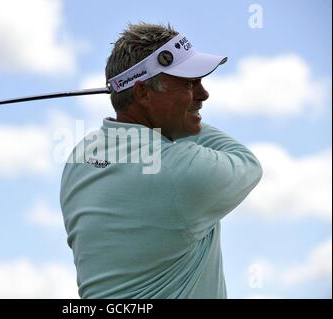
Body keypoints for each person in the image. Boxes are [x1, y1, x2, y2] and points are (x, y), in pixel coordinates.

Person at [60, 22, 263, 298]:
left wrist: (173, 117)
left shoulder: (79, 158)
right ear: (143, 93)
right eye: (189, 83)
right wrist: (188, 124)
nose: (203, 94)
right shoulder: (182, 170)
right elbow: (248, 164)